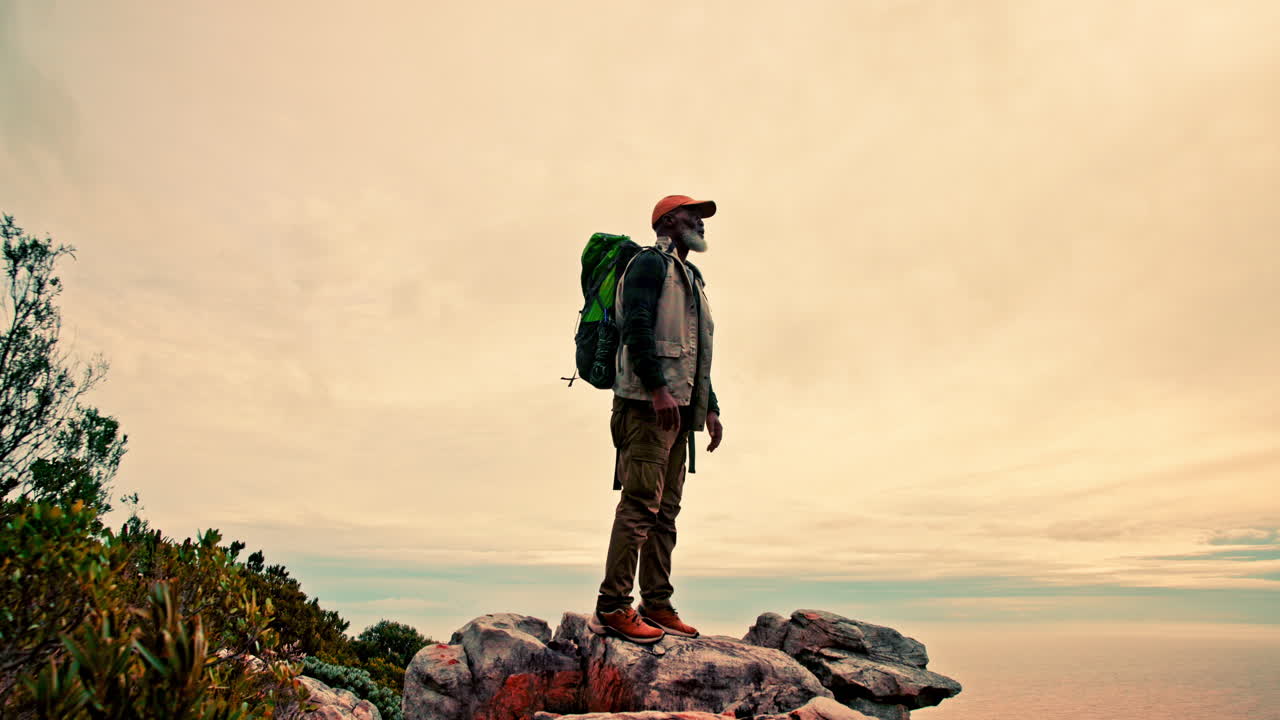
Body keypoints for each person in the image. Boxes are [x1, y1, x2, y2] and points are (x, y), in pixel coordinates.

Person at [586, 195, 725, 644]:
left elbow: (696, 351)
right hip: (646, 406)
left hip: (680, 409)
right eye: (693, 216)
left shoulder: (691, 277)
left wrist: (711, 406)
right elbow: (637, 326)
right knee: (640, 506)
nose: (700, 224)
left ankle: (657, 603)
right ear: (667, 220)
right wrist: (657, 388)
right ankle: (611, 607)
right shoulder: (649, 264)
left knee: (666, 513)